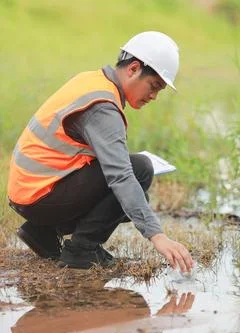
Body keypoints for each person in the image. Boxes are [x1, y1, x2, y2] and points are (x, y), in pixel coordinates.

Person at [8, 31, 194, 272]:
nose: (154, 96)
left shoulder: (92, 81)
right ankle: (80, 252)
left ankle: (42, 232)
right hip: (40, 196)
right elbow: (121, 176)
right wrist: (157, 235)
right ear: (134, 69)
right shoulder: (103, 107)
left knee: (137, 195)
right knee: (140, 170)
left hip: (30, 192)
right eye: (154, 86)